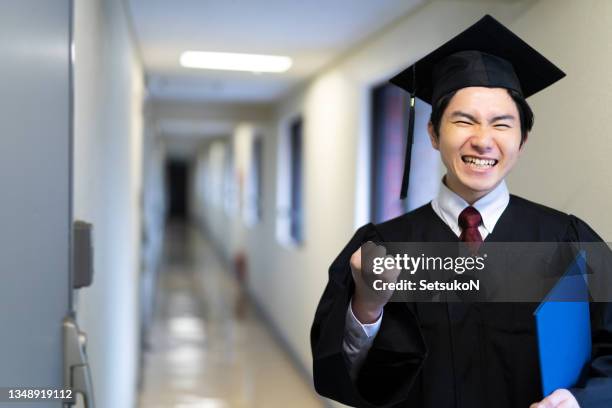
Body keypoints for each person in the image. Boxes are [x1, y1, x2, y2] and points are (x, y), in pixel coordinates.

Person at [310, 15, 612, 408]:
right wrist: (366, 307)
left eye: (502, 124)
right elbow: (343, 374)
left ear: (522, 141)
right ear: (434, 133)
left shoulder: (568, 242)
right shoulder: (386, 247)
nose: (483, 140)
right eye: (463, 121)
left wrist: (578, 401)